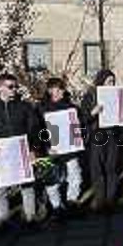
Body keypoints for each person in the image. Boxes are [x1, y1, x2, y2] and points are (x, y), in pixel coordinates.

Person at [0, 73, 40, 229]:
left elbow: (34, 129)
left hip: (21, 150)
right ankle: (3, 219)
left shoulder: (25, 106)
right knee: (1, 188)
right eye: (11, 87)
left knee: (27, 185)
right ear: (0, 87)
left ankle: (30, 217)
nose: (14, 90)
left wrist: (33, 149)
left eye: (16, 86)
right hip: (0, 152)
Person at [37, 77, 84, 219]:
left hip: (70, 148)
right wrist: (46, 146)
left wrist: (78, 140)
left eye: (60, 89)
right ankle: (56, 207)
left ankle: (72, 202)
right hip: (51, 150)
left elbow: (80, 127)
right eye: (55, 89)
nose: (58, 92)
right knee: (51, 179)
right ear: (49, 90)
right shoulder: (41, 108)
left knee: (75, 175)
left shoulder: (72, 108)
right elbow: (37, 129)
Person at [80, 69, 120, 212]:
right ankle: (99, 200)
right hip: (97, 135)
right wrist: (93, 113)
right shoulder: (90, 97)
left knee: (111, 167)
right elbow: (82, 118)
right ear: (101, 81)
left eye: (113, 81)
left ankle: (110, 200)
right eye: (109, 81)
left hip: (112, 134)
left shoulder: (116, 95)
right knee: (97, 169)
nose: (112, 84)